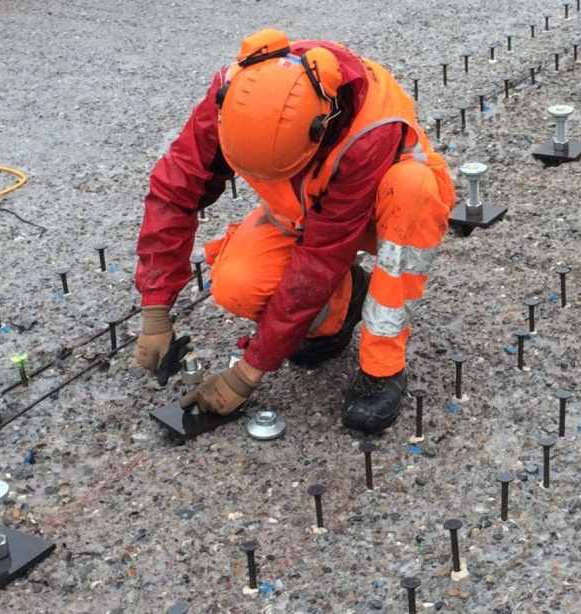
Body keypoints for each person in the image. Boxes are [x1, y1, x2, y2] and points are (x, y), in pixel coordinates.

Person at [131, 28, 454, 434]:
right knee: (236, 285)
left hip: (384, 213)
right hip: (303, 214)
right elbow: (173, 191)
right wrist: (156, 308)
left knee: (411, 189)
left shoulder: (369, 129)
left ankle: (382, 366)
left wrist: (248, 373)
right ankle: (341, 309)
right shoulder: (234, 96)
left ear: (321, 129)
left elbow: (321, 257)